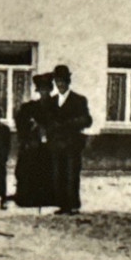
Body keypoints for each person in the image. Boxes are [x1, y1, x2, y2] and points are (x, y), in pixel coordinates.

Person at [44, 64, 93, 215]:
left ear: (68, 81)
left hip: (72, 143)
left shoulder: (79, 100)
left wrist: (69, 123)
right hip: (57, 144)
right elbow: (47, 121)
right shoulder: (51, 102)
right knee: (58, 174)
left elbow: (87, 120)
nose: (60, 84)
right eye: (57, 81)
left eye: (63, 81)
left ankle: (73, 205)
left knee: (72, 174)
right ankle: (62, 205)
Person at [12, 73, 55, 208]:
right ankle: (27, 198)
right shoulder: (29, 107)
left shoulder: (56, 107)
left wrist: (45, 127)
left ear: (50, 90)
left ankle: (48, 198)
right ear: (38, 91)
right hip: (32, 145)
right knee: (28, 170)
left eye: (46, 90)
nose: (44, 93)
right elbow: (20, 122)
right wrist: (28, 133)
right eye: (41, 90)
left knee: (47, 171)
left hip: (49, 146)